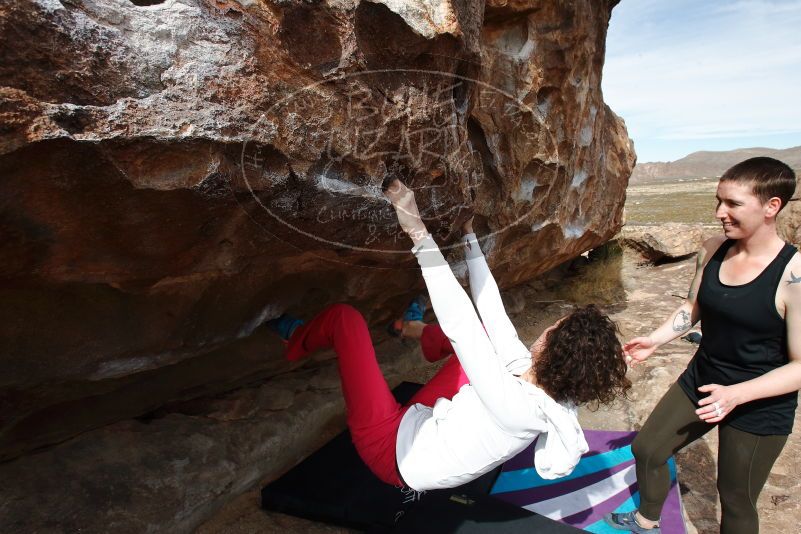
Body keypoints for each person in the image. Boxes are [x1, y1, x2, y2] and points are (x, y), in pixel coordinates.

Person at [268, 179, 630, 492]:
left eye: (556, 327)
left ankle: (296, 342)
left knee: (345, 320)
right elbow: (490, 309)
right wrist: (469, 234)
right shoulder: (543, 380)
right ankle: (414, 331)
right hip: (425, 421)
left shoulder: (517, 407)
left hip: (390, 450)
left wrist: (416, 229)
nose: (549, 327)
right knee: (489, 333)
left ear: (552, 347)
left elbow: (461, 325)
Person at [605, 157, 801, 534]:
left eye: (732, 204)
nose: (719, 213)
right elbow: (693, 305)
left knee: (735, 498)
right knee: (648, 449)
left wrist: (736, 395)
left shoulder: (793, 276)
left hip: (759, 403)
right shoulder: (713, 249)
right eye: (717, 201)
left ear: (771, 206)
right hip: (704, 376)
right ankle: (647, 519)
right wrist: (656, 340)